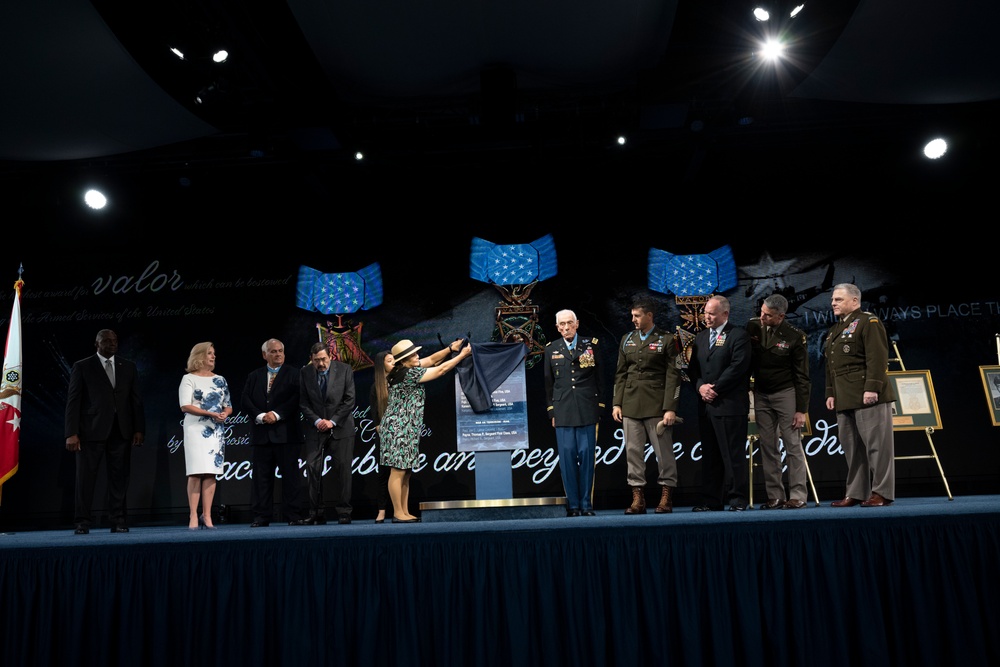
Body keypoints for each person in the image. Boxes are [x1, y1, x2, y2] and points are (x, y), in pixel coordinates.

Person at [380, 337, 471, 523]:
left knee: (405, 471)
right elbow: (441, 369)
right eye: (413, 354)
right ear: (404, 360)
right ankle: (398, 512)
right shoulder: (407, 374)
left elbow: (431, 360)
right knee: (397, 471)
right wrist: (461, 355)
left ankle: (404, 512)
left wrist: (449, 349)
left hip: (407, 427)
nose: (417, 355)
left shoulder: (408, 368)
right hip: (398, 427)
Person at [64, 329, 145, 534]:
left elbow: (136, 401)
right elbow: (73, 402)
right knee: (85, 479)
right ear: (97, 344)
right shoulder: (82, 366)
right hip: (90, 431)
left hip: (122, 430)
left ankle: (118, 521)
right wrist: (71, 433)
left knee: (119, 479)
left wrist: (138, 429)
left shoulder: (128, 366)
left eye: (115, 340)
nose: (112, 344)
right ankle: (82, 522)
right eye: (107, 341)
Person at [824, 283, 896, 507]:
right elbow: (832, 365)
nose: (833, 303)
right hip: (844, 395)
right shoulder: (835, 329)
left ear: (855, 301)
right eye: (833, 299)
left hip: (867, 393)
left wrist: (872, 388)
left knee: (877, 446)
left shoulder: (868, 321)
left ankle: (882, 492)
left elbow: (877, 357)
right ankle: (855, 492)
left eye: (838, 299)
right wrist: (831, 392)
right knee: (852, 448)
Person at [611, 298, 683, 514]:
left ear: (649, 315)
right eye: (632, 315)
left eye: (637, 316)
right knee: (633, 453)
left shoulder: (668, 339)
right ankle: (638, 499)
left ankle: (666, 498)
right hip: (631, 404)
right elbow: (621, 374)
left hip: (657, 405)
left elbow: (674, 375)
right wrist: (617, 403)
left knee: (664, 453)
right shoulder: (627, 339)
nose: (633, 320)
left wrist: (670, 407)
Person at [688, 295, 752, 511]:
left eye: (711, 313)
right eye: (706, 312)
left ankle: (737, 500)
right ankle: (711, 500)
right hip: (706, 407)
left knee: (732, 455)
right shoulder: (700, 337)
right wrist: (700, 387)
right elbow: (693, 370)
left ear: (725, 314)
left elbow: (738, 367)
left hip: (729, 405)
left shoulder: (738, 335)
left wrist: (714, 389)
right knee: (711, 457)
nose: (706, 317)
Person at [746, 294, 811, 510]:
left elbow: (802, 376)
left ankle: (798, 495)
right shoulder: (753, 326)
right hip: (761, 394)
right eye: (761, 312)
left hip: (786, 394)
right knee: (768, 446)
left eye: (768, 315)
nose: (762, 317)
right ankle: (775, 496)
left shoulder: (795, 337)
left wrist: (801, 410)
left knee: (792, 445)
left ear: (781, 316)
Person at [544, 309, 607, 517]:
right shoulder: (551, 348)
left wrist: (600, 406)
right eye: (561, 324)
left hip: (587, 408)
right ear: (557, 327)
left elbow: (600, 377)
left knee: (587, 458)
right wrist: (552, 412)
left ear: (577, 324)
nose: (566, 327)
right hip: (562, 411)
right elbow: (548, 383)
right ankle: (572, 505)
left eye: (569, 323)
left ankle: (586, 504)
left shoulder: (592, 345)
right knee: (567, 459)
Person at [242, 338, 307, 527]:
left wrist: (277, 414)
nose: (278, 354)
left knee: (291, 478)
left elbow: (297, 398)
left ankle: (293, 516)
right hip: (262, 436)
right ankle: (261, 517)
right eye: (273, 351)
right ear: (264, 355)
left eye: (280, 351)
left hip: (287, 434)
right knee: (261, 479)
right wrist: (261, 416)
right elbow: (245, 400)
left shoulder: (295, 374)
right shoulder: (254, 376)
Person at [299, 341, 356, 525]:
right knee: (312, 469)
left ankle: (344, 512)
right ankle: (316, 512)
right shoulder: (305, 373)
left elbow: (349, 400)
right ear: (311, 359)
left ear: (330, 356)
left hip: (341, 428)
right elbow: (303, 402)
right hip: (316, 429)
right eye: (316, 360)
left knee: (343, 471)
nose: (321, 364)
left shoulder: (345, 369)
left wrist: (332, 421)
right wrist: (317, 420)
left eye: (323, 359)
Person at [178, 342, 232, 530]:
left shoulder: (221, 379)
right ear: (199, 356)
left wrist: (226, 413)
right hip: (195, 429)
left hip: (216, 431)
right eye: (209, 353)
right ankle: (193, 515)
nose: (213, 356)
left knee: (211, 473)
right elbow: (185, 405)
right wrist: (210, 413)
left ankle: (207, 516)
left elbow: (228, 404)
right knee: (195, 473)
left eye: (214, 353)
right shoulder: (188, 379)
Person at [368, 350, 394, 523]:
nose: (393, 362)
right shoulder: (376, 386)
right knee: (383, 474)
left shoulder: (400, 381)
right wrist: (379, 426)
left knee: (401, 473)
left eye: (394, 359)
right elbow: (374, 413)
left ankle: (401, 508)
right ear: (381, 364)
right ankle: (382, 510)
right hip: (385, 434)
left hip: (401, 432)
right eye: (389, 360)